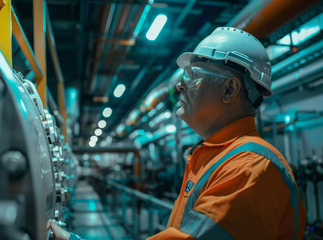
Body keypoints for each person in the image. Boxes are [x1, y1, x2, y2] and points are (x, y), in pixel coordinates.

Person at [46, 27, 306, 240]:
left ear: (229, 90)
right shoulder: (213, 155)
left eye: (193, 75)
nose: (181, 85)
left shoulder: (248, 168)